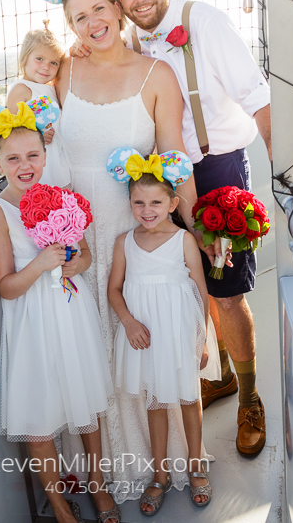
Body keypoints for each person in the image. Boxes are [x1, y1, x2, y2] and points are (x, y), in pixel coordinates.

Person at [74, 0, 271, 456]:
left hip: (215, 167)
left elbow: (258, 96)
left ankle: (250, 399)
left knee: (225, 289)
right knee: (189, 282)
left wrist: (283, 174)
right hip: (154, 179)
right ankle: (219, 373)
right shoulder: (128, 34)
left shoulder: (204, 21)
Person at [56, 0, 212, 498]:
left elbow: (175, 161)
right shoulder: (63, 70)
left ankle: (162, 466)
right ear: (70, 27)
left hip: (133, 236)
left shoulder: (157, 73)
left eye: (100, 8)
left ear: (119, 9)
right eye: (79, 17)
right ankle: (104, 474)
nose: (92, 22)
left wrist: (203, 227)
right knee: (90, 350)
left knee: (142, 347)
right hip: (75, 244)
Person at [0, 108, 118, 523]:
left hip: (69, 309)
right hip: (32, 322)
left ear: (45, 154)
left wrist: (75, 264)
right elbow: (6, 287)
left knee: (87, 405)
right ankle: (59, 506)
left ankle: (96, 487)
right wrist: (41, 264)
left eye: (32, 156)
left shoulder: (62, 197)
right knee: (39, 420)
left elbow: (87, 256)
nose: (24, 166)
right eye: (12, 159)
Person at [108, 166, 219, 512]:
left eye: (156, 201)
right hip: (147, 334)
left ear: (173, 203)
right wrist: (127, 322)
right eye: (139, 202)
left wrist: (201, 340)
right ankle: (160, 474)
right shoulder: (124, 242)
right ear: (129, 203)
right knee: (154, 401)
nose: (147, 209)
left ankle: (195, 465)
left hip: (180, 329)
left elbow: (200, 290)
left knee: (189, 397)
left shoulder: (184, 240)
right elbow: (113, 289)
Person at [7, 26, 70, 188]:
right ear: (24, 58)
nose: (45, 67)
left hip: (58, 158)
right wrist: (38, 133)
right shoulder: (22, 89)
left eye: (53, 63)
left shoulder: (50, 88)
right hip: (40, 165)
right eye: (39, 59)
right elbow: (11, 131)